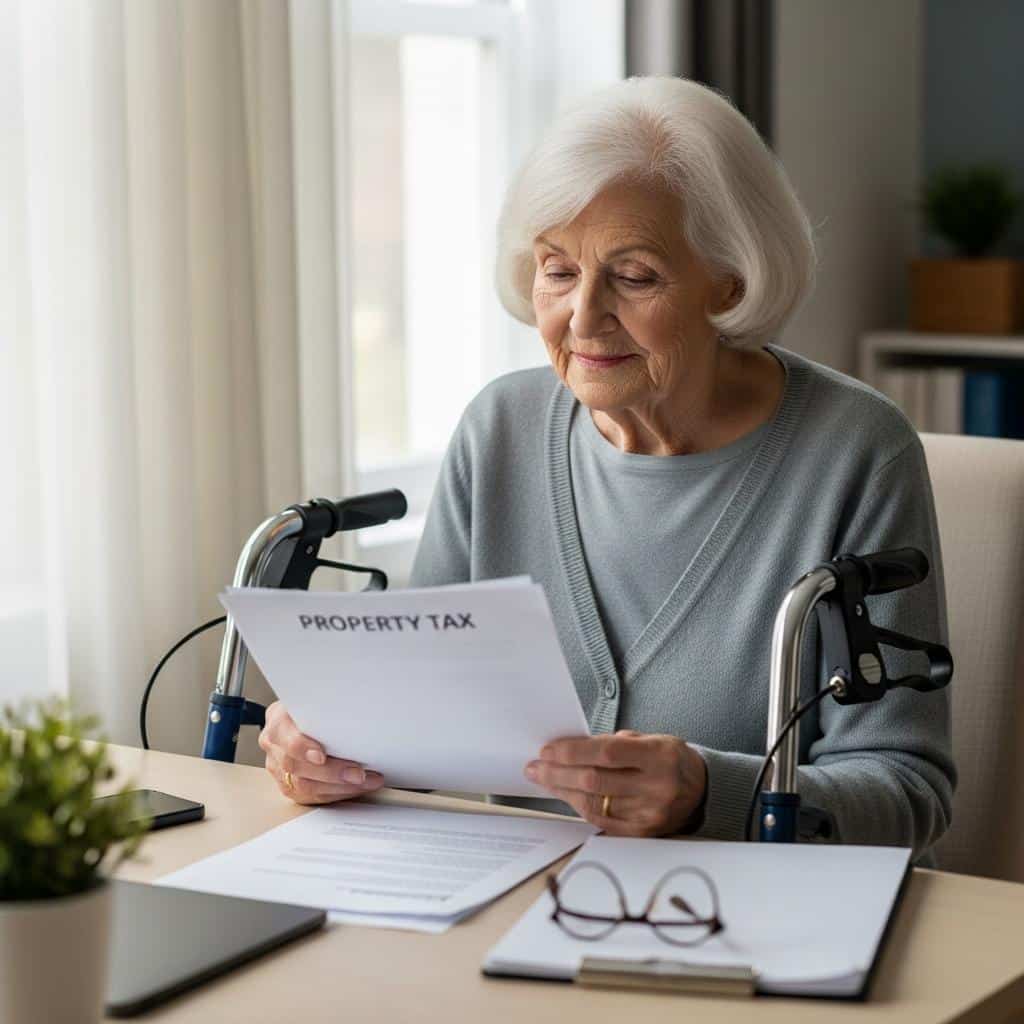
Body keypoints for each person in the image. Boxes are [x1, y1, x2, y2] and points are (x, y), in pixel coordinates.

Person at [258, 77, 955, 859]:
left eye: (634, 275)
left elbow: (907, 791)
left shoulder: (857, 451)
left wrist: (709, 794)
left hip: (753, 927)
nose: (583, 317)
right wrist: (329, 747)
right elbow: (415, 723)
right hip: (514, 910)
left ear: (729, 281)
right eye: (558, 270)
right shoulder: (500, 430)